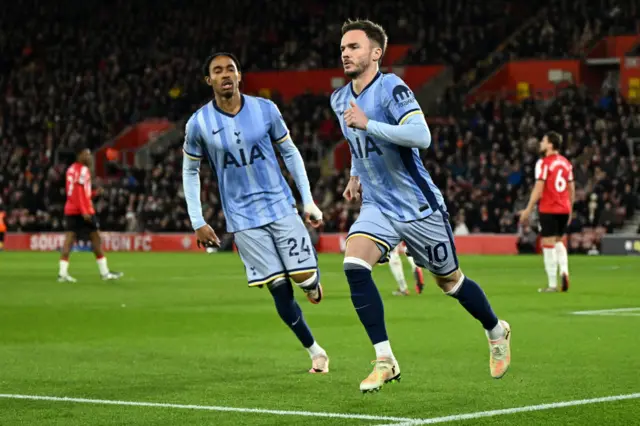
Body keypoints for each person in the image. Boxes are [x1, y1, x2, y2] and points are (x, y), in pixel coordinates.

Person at [330, 19, 511, 393]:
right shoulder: (338, 98)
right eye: (344, 48)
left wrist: (369, 124)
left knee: (450, 281)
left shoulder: (392, 88)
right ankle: (385, 359)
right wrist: (354, 173)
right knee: (353, 264)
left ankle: (496, 329)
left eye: (354, 47)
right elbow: (355, 139)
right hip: (378, 204)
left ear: (376, 53)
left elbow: (421, 136)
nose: (346, 53)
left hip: (417, 205)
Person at [182, 52, 329, 373]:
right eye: (217, 71)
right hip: (243, 220)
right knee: (278, 287)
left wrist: (308, 200)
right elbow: (190, 172)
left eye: (230, 69)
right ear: (209, 80)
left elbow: (289, 151)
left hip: (280, 206)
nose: (225, 75)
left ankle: (313, 284)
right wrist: (198, 221)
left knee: (303, 277)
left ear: (239, 76)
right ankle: (315, 351)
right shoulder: (198, 124)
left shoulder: (266, 110)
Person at [519, 132, 574, 292]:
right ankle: (564, 271)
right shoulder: (566, 163)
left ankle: (552, 284)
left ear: (550, 145)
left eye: (543, 141)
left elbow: (539, 188)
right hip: (564, 208)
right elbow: (571, 188)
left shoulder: (543, 163)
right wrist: (570, 208)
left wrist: (528, 209)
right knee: (558, 241)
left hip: (549, 207)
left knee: (547, 244)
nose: (541, 143)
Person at [59, 146, 123, 282]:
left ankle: (62, 273)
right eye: (86, 154)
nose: (89, 157)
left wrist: (94, 193)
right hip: (83, 210)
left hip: (70, 208)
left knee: (69, 240)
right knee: (96, 240)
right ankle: (105, 273)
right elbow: (79, 191)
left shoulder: (70, 169)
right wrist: (84, 211)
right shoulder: (83, 170)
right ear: (80, 155)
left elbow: (78, 192)